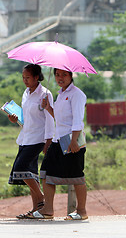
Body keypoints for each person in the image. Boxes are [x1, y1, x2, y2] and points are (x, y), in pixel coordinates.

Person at [30, 68, 88, 220]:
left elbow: (77, 119)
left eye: (64, 74)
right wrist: (48, 107)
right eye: (57, 75)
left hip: (71, 140)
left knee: (76, 176)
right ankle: (48, 209)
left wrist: (74, 140)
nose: (60, 78)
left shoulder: (77, 94)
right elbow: (60, 119)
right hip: (57, 140)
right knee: (46, 174)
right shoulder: (61, 95)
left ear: (71, 75)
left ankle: (81, 211)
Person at [8, 64, 55, 219]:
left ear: (37, 77)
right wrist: (15, 119)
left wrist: (48, 141)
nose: (25, 81)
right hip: (25, 137)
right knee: (32, 173)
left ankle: (41, 197)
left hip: (38, 138)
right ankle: (36, 210)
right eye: (23, 77)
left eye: (28, 77)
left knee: (20, 168)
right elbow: (26, 116)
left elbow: (49, 119)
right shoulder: (26, 93)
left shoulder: (45, 94)